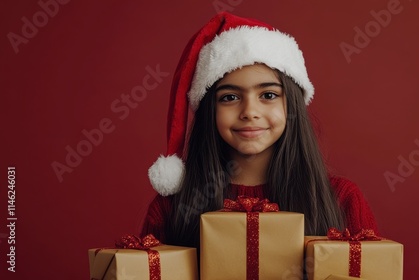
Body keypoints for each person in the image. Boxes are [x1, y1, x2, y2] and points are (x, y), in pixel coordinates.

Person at [141, 12, 378, 248]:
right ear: (209, 110)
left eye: (268, 95)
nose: (250, 111)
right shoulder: (170, 208)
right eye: (230, 97)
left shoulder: (341, 199)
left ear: (291, 104)